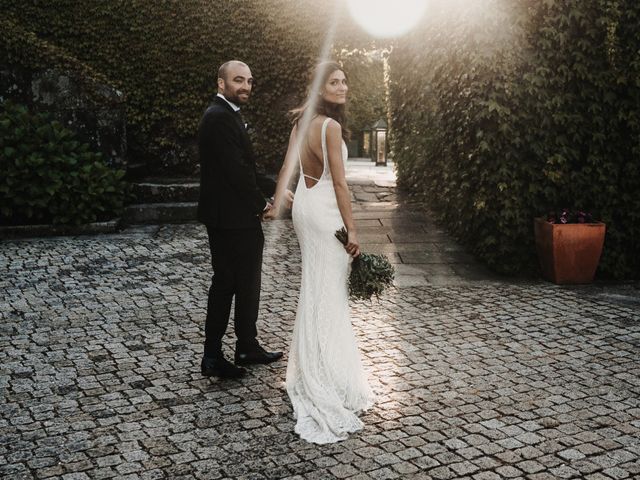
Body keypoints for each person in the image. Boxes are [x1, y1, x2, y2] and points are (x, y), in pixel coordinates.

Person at [267, 61, 376, 443]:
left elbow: (286, 169)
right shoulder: (328, 127)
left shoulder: (301, 124)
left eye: (345, 80)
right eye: (334, 82)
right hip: (327, 211)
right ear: (320, 87)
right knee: (329, 294)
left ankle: (315, 366)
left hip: (305, 209)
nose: (342, 86)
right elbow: (342, 185)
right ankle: (324, 376)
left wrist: (277, 202)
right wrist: (354, 230)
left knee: (316, 288)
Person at [197, 60, 283, 379]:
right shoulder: (218, 117)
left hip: (235, 217)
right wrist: (262, 203)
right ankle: (212, 356)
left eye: (249, 80)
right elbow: (235, 172)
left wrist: (279, 188)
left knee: (246, 283)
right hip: (229, 219)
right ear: (221, 84)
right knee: (226, 284)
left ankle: (247, 345)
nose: (245, 86)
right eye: (238, 80)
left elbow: (246, 168)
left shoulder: (228, 115)